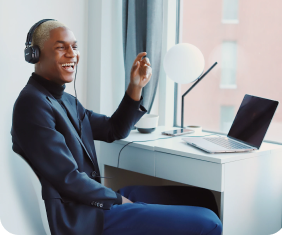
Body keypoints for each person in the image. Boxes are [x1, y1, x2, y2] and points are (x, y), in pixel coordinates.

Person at [11, 20, 222, 235]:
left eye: (74, 46)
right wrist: (119, 200)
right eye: (60, 47)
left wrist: (135, 86)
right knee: (209, 222)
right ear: (35, 55)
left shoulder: (66, 100)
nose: (72, 54)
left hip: (90, 200)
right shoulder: (32, 104)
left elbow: (113, 129)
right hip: (81, 216)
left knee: (203, 197)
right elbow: (68, 179)